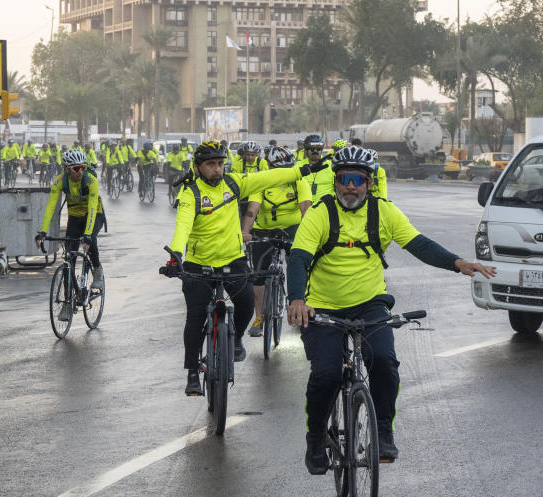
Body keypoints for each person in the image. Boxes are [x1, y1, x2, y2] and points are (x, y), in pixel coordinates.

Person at [287, 146, 496, 473]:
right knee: (326, 374)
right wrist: (297, 300)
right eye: (345, 179)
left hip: (370, 304)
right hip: (321, 307)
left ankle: (383, 430)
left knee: (383, 361)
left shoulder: (383, 212)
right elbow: (298, 257)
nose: (351, 186)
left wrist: (458, 263)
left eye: (358, 179)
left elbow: (419, 244)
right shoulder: (319, 212)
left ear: (369, 183)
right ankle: (315, 438)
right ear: (336, 182)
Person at [159, 140, 330, 395]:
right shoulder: (190, 193)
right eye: (210, 165)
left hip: (233, 258)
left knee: (247, 302)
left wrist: (301, 171)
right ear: (198, 167)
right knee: (195, 317)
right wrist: (175, 256)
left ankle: (235, 338)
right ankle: (193, 371)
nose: (217, 170)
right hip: (198, 263)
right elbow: (183, 226)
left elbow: (267, 178)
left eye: (220, 164)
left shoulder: (234, 183)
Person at [241, 146, 311, 337]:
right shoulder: (262, 183)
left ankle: (297, 304)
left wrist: (310, 237)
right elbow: (252, 209)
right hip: (264, 230)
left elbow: (306, 210)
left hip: (292, 230)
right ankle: (259, 317)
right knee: (258, 274)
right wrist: (245, 232)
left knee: (297, 264)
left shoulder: (299, 182)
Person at [35, 149, 106, 298]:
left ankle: (97, 270)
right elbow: (50, 207)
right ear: (67, 169)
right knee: (68, 260)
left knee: (91, 239)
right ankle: (68, 301)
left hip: (94, 214)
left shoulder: (90, 180)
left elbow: (92, 207)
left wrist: (87, 235)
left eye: (83, 167)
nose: (80, 171)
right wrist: (42, 232)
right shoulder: (60, 181)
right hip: (74, 217)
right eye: (76, 168)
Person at [297, 134, 334, 201]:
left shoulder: (331, 166)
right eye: (311, 149)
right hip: (304, 208)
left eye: (318, 149)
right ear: (306, 151)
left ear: (322, 150)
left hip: (326, 209)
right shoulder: (297, 166)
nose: (315, 151)